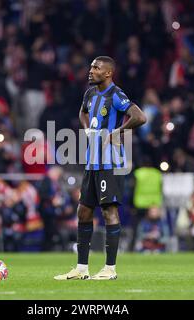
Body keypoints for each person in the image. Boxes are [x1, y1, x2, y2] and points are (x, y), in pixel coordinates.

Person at [54, 56, 146, 280]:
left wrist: (118, 131)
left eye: (96, 67)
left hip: (110, 163)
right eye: (91, 66)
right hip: (92, 162)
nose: (91, 70)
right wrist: (86, 130)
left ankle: (110, 269)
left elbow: (139, 116)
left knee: (108, 211)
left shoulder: (116, 95)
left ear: (108, 73)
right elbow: (82, 112)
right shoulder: (90, 93)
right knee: (83, 211)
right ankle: (81, 268)